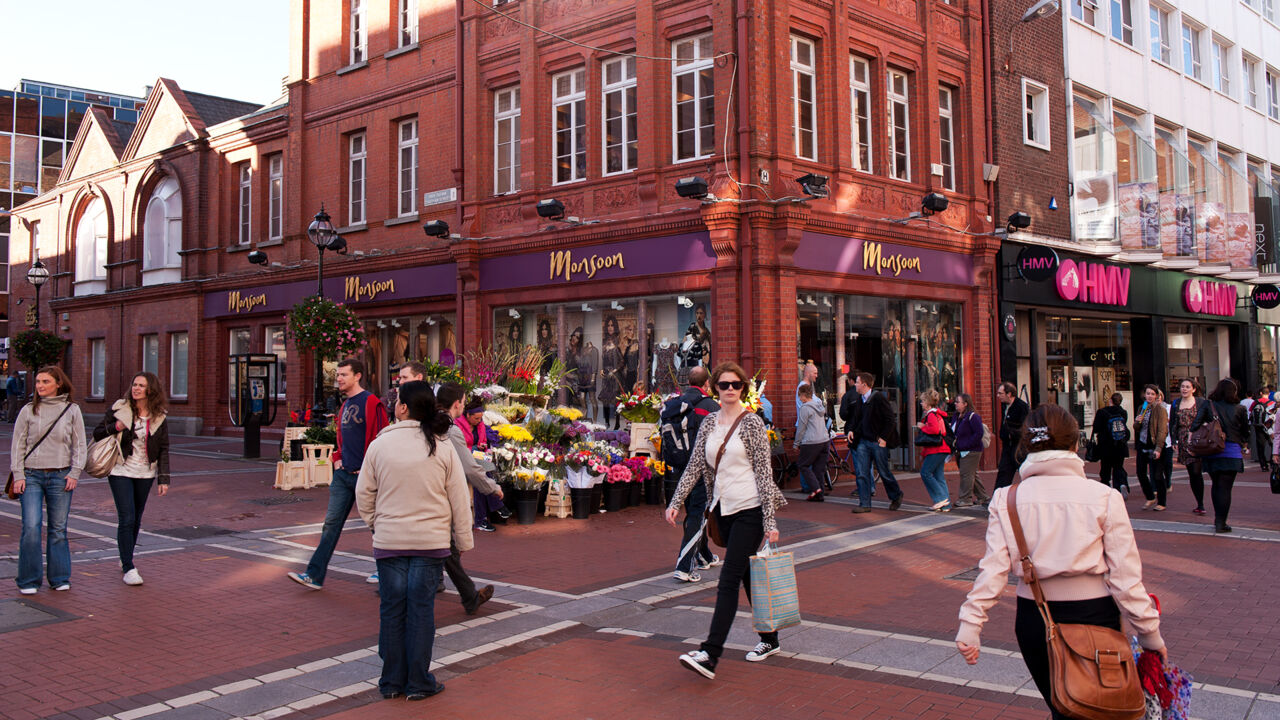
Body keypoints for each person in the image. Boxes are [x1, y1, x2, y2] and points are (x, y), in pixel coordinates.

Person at [955, 403, 1167, 719]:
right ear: (1075, 444)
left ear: (1026, 446)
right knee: (1099, 707)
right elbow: (1125, 577)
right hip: (1094, 613)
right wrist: (1150, 634)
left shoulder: (1007, 498)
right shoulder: (1103, 496)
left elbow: (993, 570)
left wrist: (970, 624)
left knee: (1064, 705)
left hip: (1033, 617)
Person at [666, 362, 787, 679]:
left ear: (743, 389)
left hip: (750, 510)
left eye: (735, 385)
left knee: (729, 579)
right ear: (714, 388)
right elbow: (694, 466)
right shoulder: (708, 424)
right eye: (723, 384)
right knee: (746, 576)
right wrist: (676, 502)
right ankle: (770, 638)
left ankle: (710, 653)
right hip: (722, 510)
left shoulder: (752, 425)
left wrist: (770, 522)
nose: (729, 389)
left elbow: (764, 474)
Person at [356, 381, 472, 701]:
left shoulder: (380, 445)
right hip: (430, 542)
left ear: (403, 408)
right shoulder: (441, 444)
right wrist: (462, 539)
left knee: (392, 609)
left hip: (390, 540)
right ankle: (419, 682)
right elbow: (458, 497)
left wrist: (375, 524)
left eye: (397, 401)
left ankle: (391, 681)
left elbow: (365, 493)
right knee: (421, 611)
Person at [289, 359, 390, 589]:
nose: (339, 379)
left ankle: (386, 571)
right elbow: (341, 437)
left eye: (344, 374)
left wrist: (370, 470)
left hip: (365, 477)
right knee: (331, 525)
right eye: (338, 375)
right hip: (343, 476)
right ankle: (314, 575)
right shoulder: (344, 406)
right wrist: (337, 459)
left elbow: (381, 439)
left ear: (358, 376)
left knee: (378, 526)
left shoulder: (372, 403)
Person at [10, 366, 86, 595]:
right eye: (38, 382)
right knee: (31, 526)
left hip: (60, 476)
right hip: (31, 475)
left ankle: (59, 577)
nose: (40, 386)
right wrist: (18, 475)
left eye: (45, 381)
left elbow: (80, 444)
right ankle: (29, 580)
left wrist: (75, 473)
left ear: (58, 384)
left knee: (58, 529)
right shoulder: (28, 410)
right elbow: (18, 445)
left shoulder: (72, 410)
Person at [92, 372, 172, 586]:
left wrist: (163, 478)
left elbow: (163, 448)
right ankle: (129, 567)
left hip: (145, 472)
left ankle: (125, 555)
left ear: (150, 390)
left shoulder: (159, 416)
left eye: (141, 385)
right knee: (126, 517)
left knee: (136, 518)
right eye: (134, 384)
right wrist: (115, 427)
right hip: (120, 469)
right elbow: (98, 432)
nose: (136, 388)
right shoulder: (120, 408)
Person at [435, 382, 499, 614]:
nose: (464, 405)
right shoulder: (450, 429)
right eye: (463, 402)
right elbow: (469, 468)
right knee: (444, 546)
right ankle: (465, 595)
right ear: (456, 404)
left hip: (427, 494)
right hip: (437, 495)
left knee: (446, 548)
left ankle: (466, 594)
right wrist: (492, 487)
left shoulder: (427, 423)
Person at [659, 366, 721, 582]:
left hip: (679, 467)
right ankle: (684, 566)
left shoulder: (676, 405)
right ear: (707, 384)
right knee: (698, 513)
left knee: (696, 511)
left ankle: (704, 556)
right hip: (703, 469)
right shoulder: (710, 406)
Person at [1190, 378, 1250, 533]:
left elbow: (1195, 425)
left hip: (1212, 450)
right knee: (1225, 488)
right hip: (1231, 450)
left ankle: (1218, 519)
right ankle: (1221, 522)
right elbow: (1245, 431)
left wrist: (1208, 426)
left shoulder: (1208, 405)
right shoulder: (1240, 408)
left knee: (1216, 485)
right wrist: (1243, 442)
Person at [839, 371, 903, 514]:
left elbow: (890, 419)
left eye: (857, 382)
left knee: (883, 471)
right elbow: (856, 419)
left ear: (864, 384)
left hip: (876, 442)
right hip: (862, 441)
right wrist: (850, 430)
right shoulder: (860, 399)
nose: (855, 384)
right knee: (862, 472)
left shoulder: (878, 398)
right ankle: (864, 503)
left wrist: (884, 438)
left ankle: (896, 495)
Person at [455, 398, 507, 532]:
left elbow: (481, 443)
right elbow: (460, 448)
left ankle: (482, 519)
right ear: (468, 415)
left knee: (482, 473)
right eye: (476, 418)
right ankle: (494, 508)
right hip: (462, 462)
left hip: (476, 461)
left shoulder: (480, 426)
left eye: (481, 418)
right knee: (479, 476)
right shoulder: (457, 427)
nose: (479, 421)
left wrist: (482, 447)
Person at [1169, 378, 1208, 516]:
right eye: (1182, 387)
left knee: (1197, 472)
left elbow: (1209, 419)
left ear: (1194, 389)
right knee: (1193, 473)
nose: (1184, 389)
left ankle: (1201, 503)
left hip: (1198, 440)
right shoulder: (1176, 403)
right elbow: (1173, 423)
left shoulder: (1201, 402)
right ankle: (1200, 502)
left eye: (1187, 387)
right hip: (1183, 440)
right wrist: (1174, 440)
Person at [1133, 384, 1169, 511]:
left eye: (1152, 394)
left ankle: (1162, 502)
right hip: (1143, 444)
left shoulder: (1160, 410)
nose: (1149, 396)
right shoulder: (1141, 408)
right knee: (1140, 472)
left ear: (1157, 396)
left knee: (1158, 475)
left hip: (1155, 445)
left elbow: (1162, 431)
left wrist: (1158, 448)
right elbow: (1136, 428)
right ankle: (1150, 496)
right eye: (1147, 393)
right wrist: (1137, 422)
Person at [915, 389, 952, 512]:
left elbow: (935, 430)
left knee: (925, 473)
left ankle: (940, 499)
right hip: (942, 448)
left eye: (923, 401)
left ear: (928, 402)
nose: (921, 403)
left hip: (935, 449)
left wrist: (923, 427)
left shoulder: (931, 415)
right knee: (939, 476)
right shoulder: (937, 413)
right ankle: (945, 504)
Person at [949, 393, 988, 508]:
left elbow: (978, 433)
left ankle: (965, 498)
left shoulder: (973, 416)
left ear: (965, 404)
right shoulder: (956, 416)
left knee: (966, 474)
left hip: (972, 450)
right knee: (972, 474)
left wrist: (967, 444)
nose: (955, 404)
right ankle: (983, 497)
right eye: (955, 402)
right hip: (960, 450)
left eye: (958, 402)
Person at [794, 383, 829, 502]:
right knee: (819, 469)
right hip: (824, 440)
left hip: (811, 441)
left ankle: (816, 489)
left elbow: (801, 427)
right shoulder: (819, 405)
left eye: (800, 396)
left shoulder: (805, 408)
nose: (799, 398)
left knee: (803, 465)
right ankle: (820, 494)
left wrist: (796, 443)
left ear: (804, 395)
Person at [1090, 393, 1130, 494]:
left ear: (1110, 400)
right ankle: (1120, 485)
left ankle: (1105, 488)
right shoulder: (1123, 413)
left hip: (1105, 446)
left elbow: (1096, 428)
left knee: (1105, 468)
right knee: (1118, 466)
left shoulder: (1102, 412)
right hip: (1120, 444)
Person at [993, 382, 1029, 491]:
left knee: (1025, 472)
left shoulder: (1021, 407)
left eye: (1000, 393)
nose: (998, 396)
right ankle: (998, 498)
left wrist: (1010, 434)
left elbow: (1025, 427)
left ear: (1009, 394)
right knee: (1004, 472)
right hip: (1007, 447)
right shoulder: (1004, 406)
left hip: (1019, 448)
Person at [1249, 387, 1273, 471]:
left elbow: (1250, 411)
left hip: (1258, 426)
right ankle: (1272, 462)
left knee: (1260, 446)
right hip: (1269, 427)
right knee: (1273, 444)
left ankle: (1263, 465)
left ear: (1261, 393)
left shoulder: (1255, 402)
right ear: (1269, 394)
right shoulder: (1272, 403)